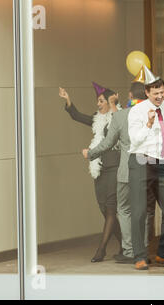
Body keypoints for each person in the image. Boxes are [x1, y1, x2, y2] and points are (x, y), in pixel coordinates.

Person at [82, 76, 156, 264]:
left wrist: (91, 153)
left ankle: (130, 250)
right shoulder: (154, 113)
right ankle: (144, 248)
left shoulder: (121, 116)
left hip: (125, 171)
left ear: (130, 96)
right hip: (148, 170)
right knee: (145, 211)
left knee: (124, 210)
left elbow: (107, 143)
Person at [59, 82, 122, 263]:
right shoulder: (97, 118)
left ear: (110, 102)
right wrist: (68, 100)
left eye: (101, 101)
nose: (98, 104)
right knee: (104, 208)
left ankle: (101, 249)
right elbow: (77, 116)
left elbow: (115, 134)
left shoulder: (118, 117)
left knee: (111, 209)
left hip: (114, 168)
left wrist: (114, 104)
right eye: (98, 101)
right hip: (100, 169)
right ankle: (126, 244)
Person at [127, 66, 164, 270]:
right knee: (139, 212)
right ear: (147, 92)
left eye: (162, 92)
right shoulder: (136, 111)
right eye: (155, 93)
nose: (160, 96)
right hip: (141, 160)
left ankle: (163, 254)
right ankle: (140, 255)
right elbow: (134, 140)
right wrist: (148, 124)